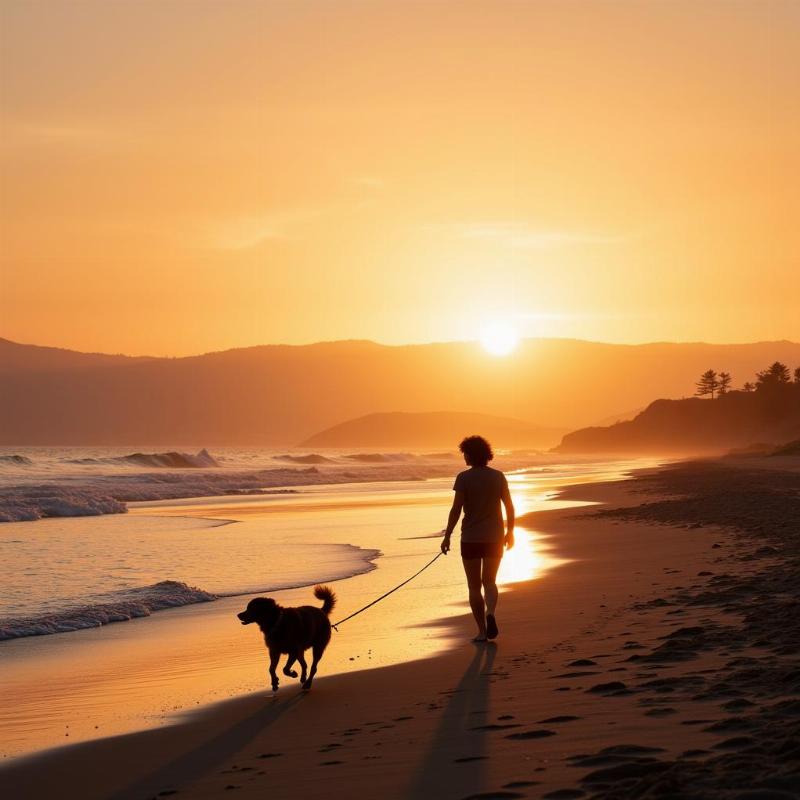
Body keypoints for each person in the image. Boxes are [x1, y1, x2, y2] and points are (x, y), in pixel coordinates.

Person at [441, 435, 515, 642]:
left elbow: (456, 509)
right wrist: (511, 532)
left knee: (474, 586)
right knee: (489, 581)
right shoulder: (498, 476)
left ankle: (482, 632)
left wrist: (447, 536)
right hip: (494, 537)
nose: (463, 456)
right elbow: (509, 506)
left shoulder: (463, 478)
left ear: (471, 454)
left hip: (471, 539)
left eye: (465, 453)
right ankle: (491, 612)